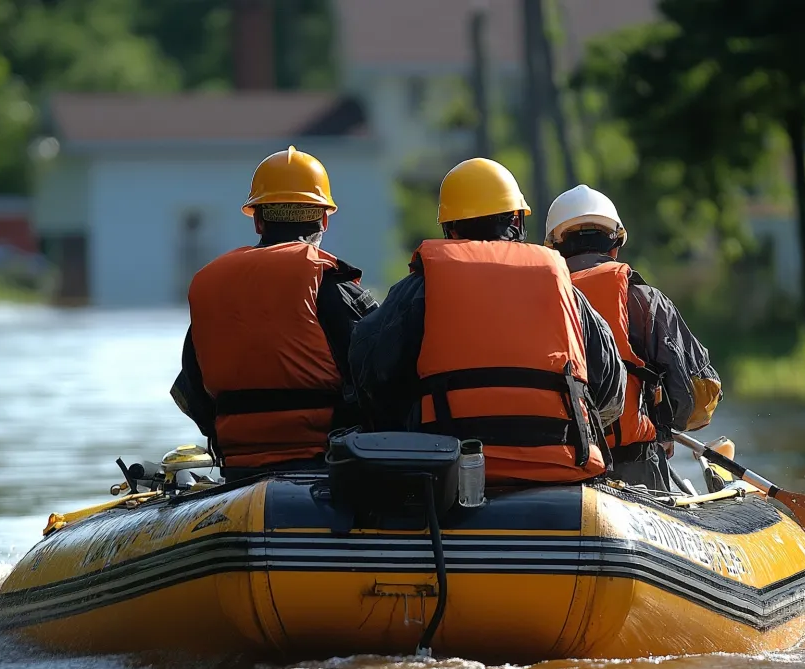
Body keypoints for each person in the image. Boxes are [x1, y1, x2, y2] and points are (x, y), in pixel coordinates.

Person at [349, 158, 625, 485]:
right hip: (559, 463)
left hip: (447, 467)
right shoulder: (563, 288)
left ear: (450, 229)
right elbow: (611, 390)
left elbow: (370, 373)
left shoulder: (418, 291)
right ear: (517, 222)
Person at [170, 146, 377, 478]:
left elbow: (191, 390)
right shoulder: (329, 284)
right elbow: (378, 371)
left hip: (239, 468)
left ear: (258, 221)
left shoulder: (212, 287)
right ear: (324, 219)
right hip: (325, 463)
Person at [544, 184, 723, 490]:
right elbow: (695, 394)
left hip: (560, 466)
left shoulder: (538, 302)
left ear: (554, 249)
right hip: (634, 464)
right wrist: (664, 429)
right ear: (615, 246)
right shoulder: (644, 300)